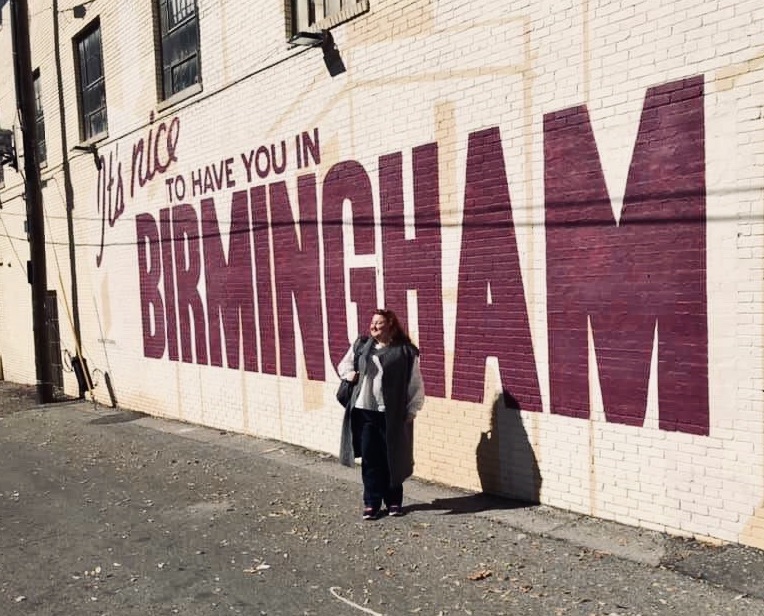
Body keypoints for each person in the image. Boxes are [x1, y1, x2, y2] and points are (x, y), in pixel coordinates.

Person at [338, 309, 425, 520]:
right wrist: (349, 374)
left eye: (379, 323)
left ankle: (394, 501)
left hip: (391, 414)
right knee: (370, 459)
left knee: (392, 458)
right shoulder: (361, 345)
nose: (373, 326)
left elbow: (415, 383)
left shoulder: (405, 352)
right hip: (364, 411)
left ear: (391, 326)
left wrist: (413, 409)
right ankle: (371, 503)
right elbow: (344, 365)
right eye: (372, 322)